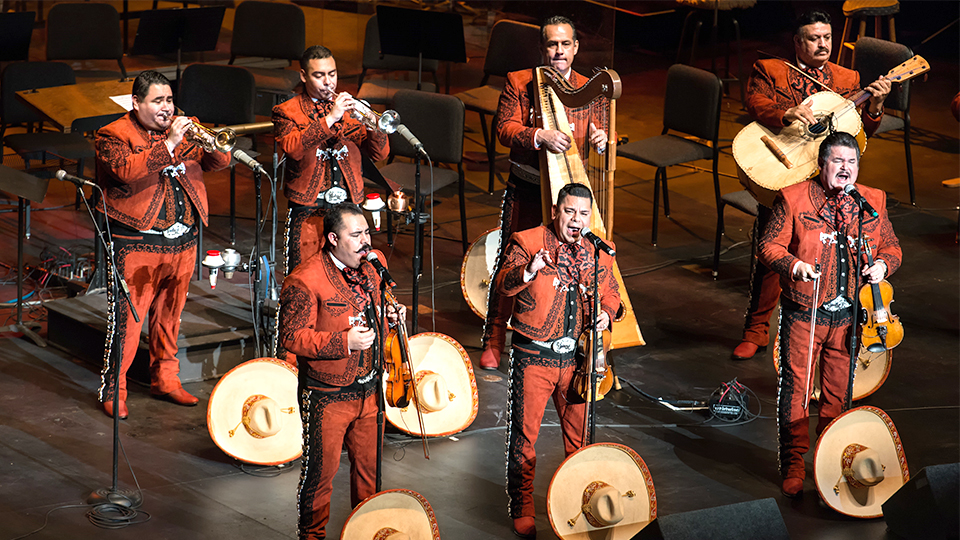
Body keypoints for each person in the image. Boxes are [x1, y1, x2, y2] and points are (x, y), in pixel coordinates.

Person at [732, 9, 891, 360]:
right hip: (784, 174)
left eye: (827, 38)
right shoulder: (772, 70)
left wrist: (876, 105)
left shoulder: (848, 78)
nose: (823, 44)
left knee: (836, 259)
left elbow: (862, 133)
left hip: (828, 184)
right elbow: (755, 101)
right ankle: (756, 329)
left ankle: (830, 334)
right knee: (771, 254)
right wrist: (786, 114)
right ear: (798, 42)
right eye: (814, 38)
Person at [758, 131, 901, 498]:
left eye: (851, 162)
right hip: (805, 312)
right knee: (797, 390)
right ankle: (793, 463)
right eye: (837, 161)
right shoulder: (792, 198)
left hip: (850, 316)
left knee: (840, 392)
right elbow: (768, 246)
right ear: (822, 164)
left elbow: (892, 246)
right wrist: (794, 266)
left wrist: (883, 265)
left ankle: (831, 458)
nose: (845, 169)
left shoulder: (873, 201)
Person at [95, 70, 231, 419]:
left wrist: (215, 145)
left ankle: (166, 380)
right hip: (137, 242)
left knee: (170, 317)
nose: (166, 108)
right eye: (157, 101)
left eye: (169, 100)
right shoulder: (112, 135)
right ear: (136, 102)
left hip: (183, 240)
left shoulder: (186, 126)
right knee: (129, 321)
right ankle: (115, 389)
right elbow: (125, 171)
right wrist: (168, 144)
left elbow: (217, 162)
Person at [480, 15, 610, 371]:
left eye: (565, 44)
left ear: (576, 47)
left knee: (576, 264)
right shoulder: (519, 82)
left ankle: (569, 332)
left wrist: (601, 141)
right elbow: (505, 129)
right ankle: (494, 337)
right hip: (527, 187)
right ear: (542, 48)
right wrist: (540, 136)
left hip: (567, 197)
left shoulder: (588, 87)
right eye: (552, 44)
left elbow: (602, 131)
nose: (559, 51)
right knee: (511, 259)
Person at [497, 183, 620, 538]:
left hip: (579, 361)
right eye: (569, 212)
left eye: (583, 213)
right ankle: (521, 506)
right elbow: (503, 286)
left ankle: (577, 501)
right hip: (534, 356)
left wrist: (607, 314)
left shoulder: (600, 250)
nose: (576, 220)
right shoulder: (527, 241)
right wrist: (528, 272)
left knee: (580, 439)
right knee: (524, 437)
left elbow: (612, 293)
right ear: (555, 210)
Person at [279, 203, 405, 540]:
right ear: (333, 238)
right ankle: (312, 536)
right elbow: (291, 336)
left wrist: (389, 318)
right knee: (321, 475)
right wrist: (343, 341)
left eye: (367, 232)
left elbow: (372, 310)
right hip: (328, 394)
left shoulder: (373, 267)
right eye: (356, 235)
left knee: (370, 475)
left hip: (370, 389)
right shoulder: (304, 280)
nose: (366, 241)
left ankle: (367, 534)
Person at [273, 45, 391, 274]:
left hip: (349, 206)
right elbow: (293, 148)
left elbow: (379, 155)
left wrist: (374, 126)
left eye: (332, 74)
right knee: (304, 276)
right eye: (319, 75)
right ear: (303, 76)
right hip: (309, 210)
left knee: (351, 275)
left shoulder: (351, 108)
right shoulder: (286, 111)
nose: (328, 82)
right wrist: (330, 119)